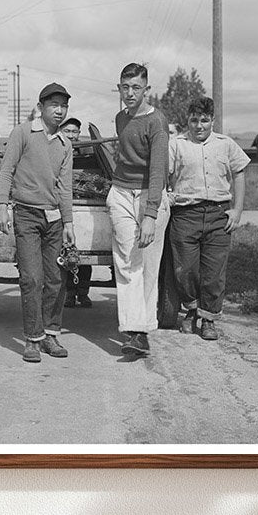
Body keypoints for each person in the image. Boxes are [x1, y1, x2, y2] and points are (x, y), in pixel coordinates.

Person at [0, 83, 75, 363]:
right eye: (53, 104)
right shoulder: (23, 132)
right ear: (41, 107)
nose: (59, 110)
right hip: (26, 214)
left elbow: (65, 187)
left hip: (53, 219)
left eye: (63, 105)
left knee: (55, 279)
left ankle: (51, 335)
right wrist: (2, 207)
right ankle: (32, 339)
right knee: (31, 278)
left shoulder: (66, 144)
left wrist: (68, 223)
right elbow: (7, 171)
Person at [167, 96, 250, 340]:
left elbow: (240, 173)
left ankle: (209, 320)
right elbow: (162, 174)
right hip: (185, 215)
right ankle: (192, 311)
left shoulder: (225, 144)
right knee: (185, 270)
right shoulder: (176, 144)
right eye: (194, 120)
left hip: (218, 215)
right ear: (187, 120)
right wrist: (167, 195)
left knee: (214, 273)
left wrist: (237, 210)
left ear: (212, 120)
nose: (199, 125)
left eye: (204, 120)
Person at [106, 63, 171, 356]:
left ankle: (142, 330)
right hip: (120, 192)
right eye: (125, 87)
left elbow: (158, 170)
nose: (129, 93)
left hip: (149, 195)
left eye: (136, 87)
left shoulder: (157, 121)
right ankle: (133, 331)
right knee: (127, 261)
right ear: (119, 87)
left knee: (148, 266)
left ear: (146, 89)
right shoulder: (120, 119)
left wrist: (150, 215)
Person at [59, 118, 93, 308]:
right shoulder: (56, 149)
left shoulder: (87, 153)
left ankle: (83, 293)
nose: (72, 135)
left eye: (75, 132)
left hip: (82, 206)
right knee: (65, 254)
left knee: (85, 254)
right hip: (63, 205)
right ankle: (69, 294)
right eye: (68, 131)